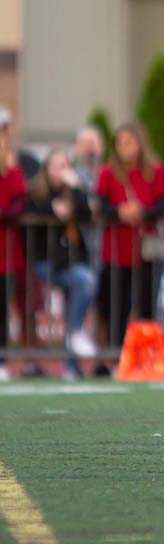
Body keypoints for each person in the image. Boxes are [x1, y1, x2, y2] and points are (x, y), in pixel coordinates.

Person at [27, 148, 98, 379]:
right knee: (85, 280)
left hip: (71, 260)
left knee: (75, 300)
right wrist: (51, 208)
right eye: (56, 166)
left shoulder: (73, 191)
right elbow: (26, 210)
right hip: (47, 262)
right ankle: (76, 334)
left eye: (64, 165)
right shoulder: (37, 191)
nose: (61, 171)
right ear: (46, 168)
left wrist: (77, 189)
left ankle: (71, 365)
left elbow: (87, 216)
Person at [95, 124, 164, 349]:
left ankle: (146, 354)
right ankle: (115, 353)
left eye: (129, 142)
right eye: (120, 143)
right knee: (116, 304)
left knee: (147, 303)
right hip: (117, 248)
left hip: (147, 246)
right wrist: (120, 212)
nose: (124, 148)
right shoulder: (108, 173)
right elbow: (101, 205)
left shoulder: (154, 171)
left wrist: (142, 213)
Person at [0, 119, 26, 380]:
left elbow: (20, 204)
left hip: (5, 253)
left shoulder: (12, 172)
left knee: (3, 308)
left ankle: (2, 359)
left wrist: (4, 214)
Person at [72, 126, 105, 194]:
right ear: (76, 148)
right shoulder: (71, 174)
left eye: (92, 143)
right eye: (84, 144)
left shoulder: (113, 173)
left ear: (102, 146)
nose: (89, 148)